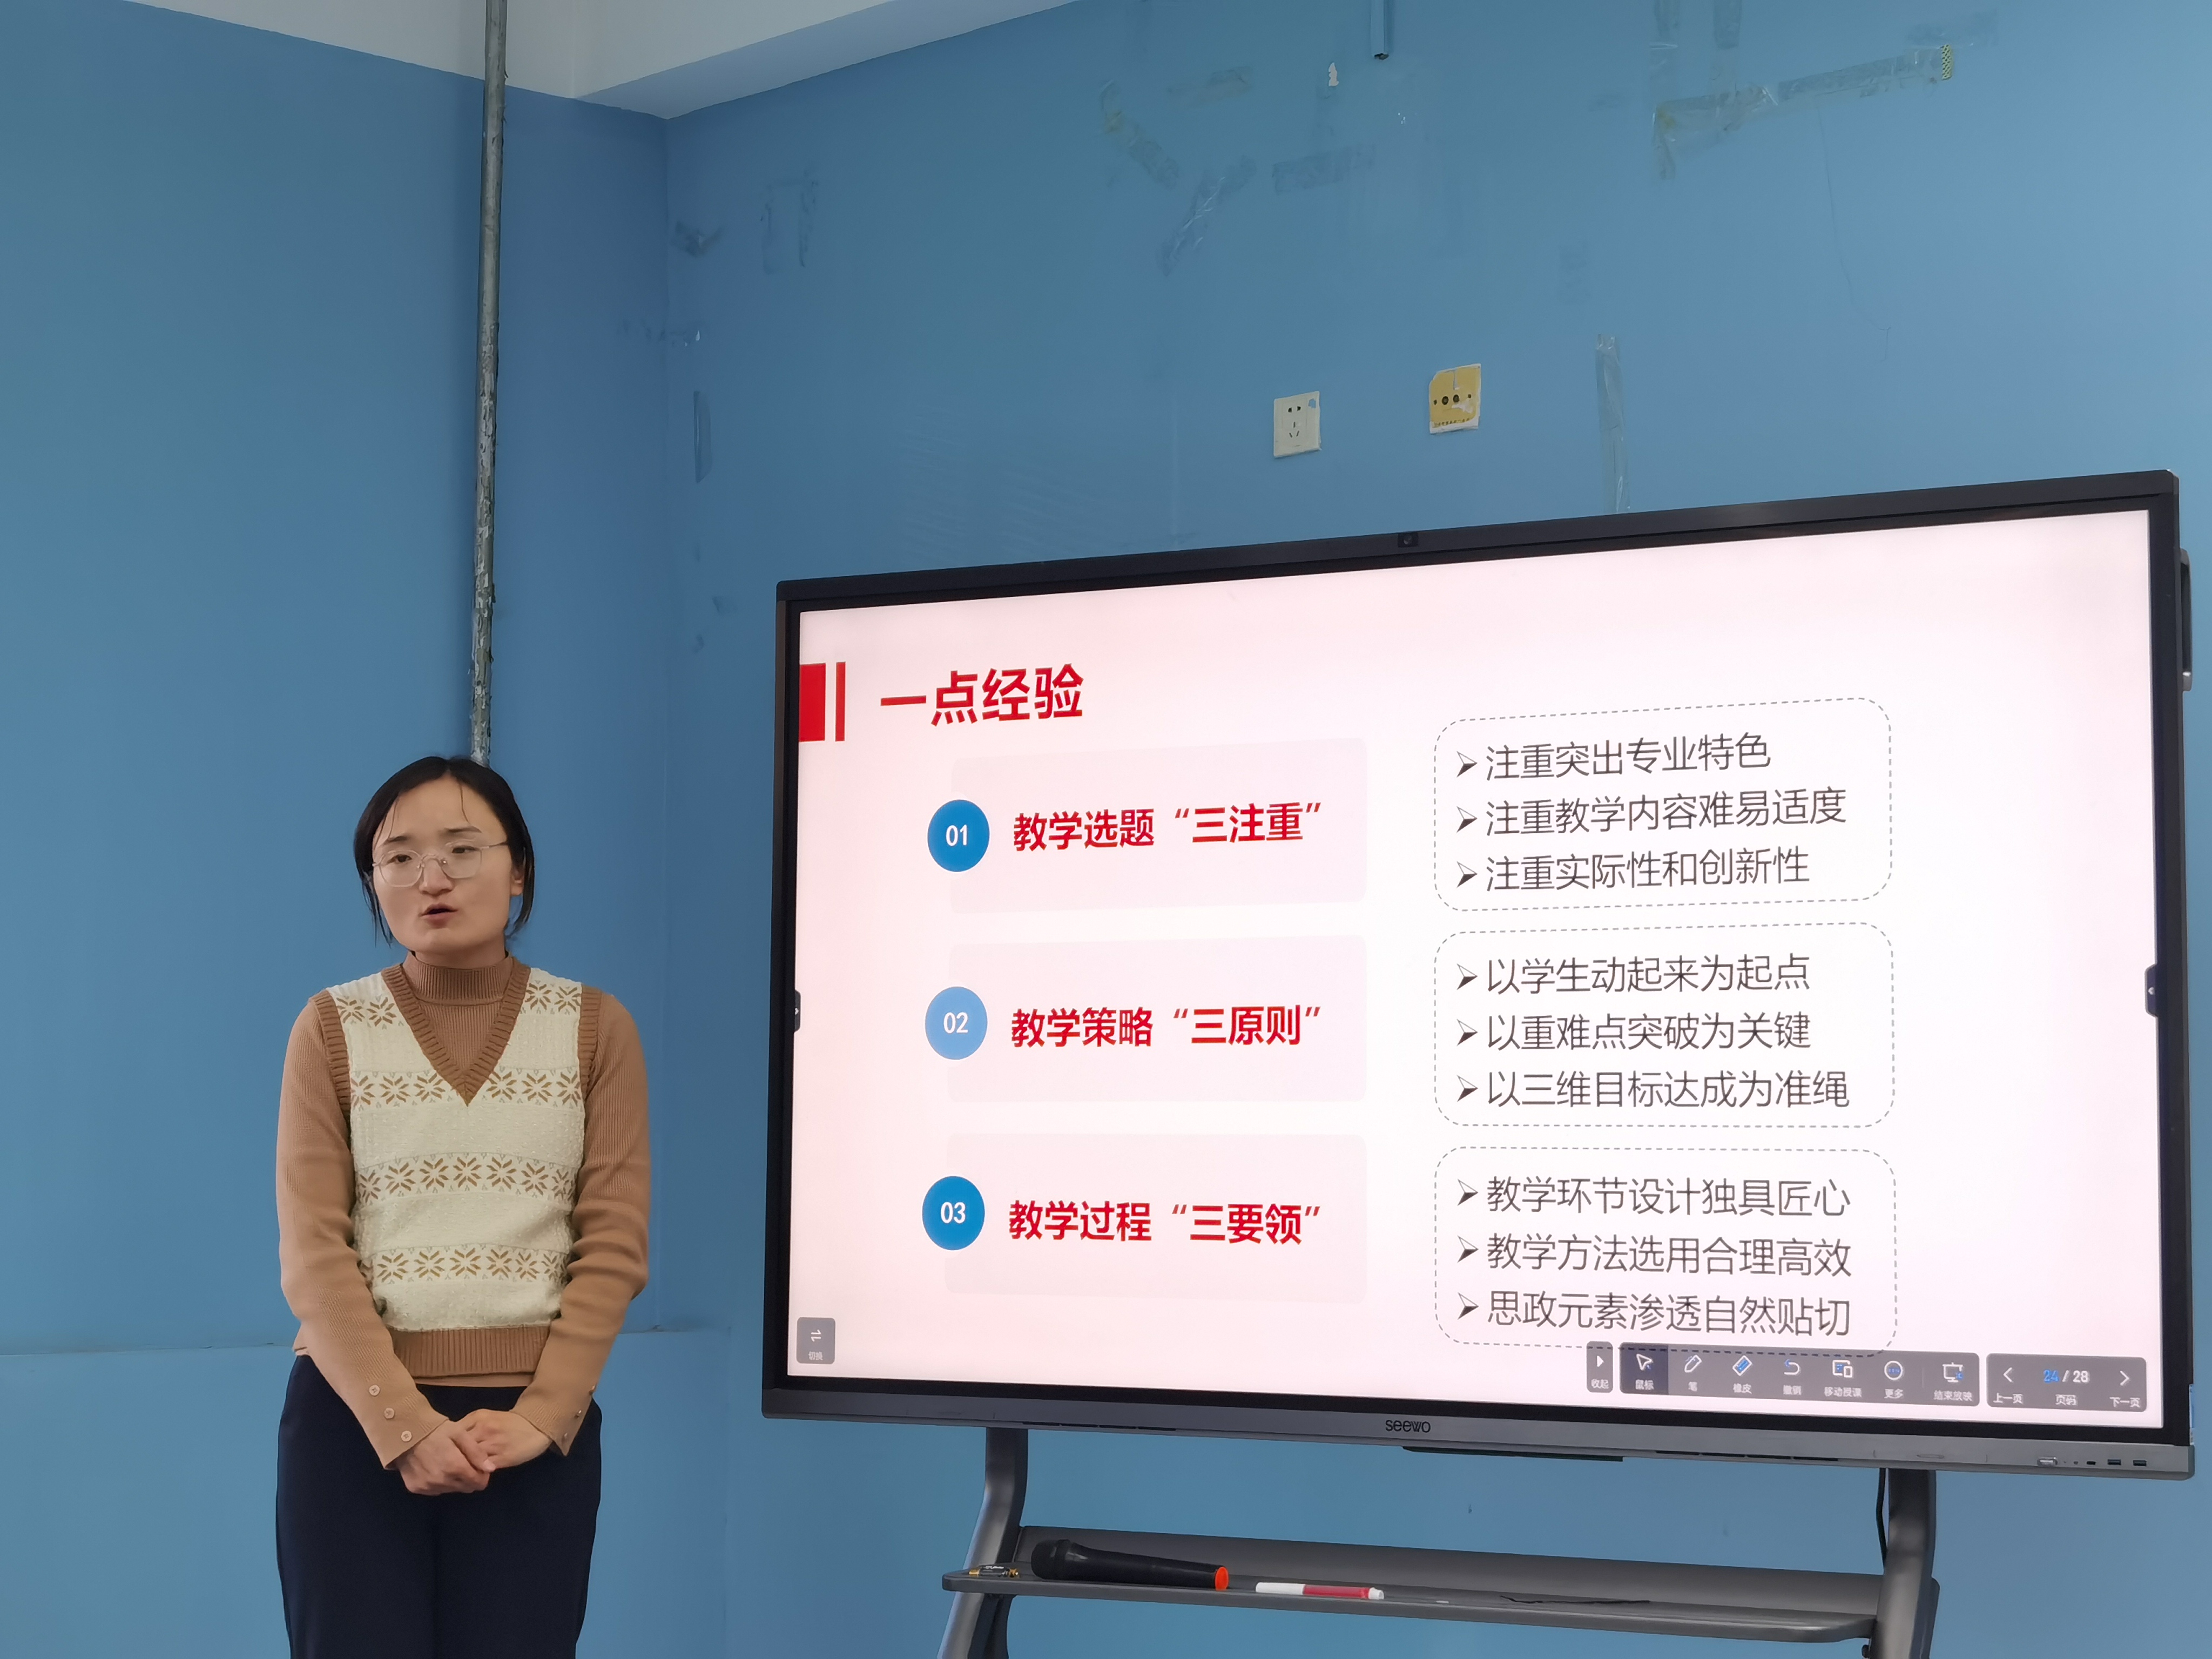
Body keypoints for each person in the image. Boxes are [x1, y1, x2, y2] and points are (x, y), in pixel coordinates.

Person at [274, 756, 650, 1658]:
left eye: (461, 850)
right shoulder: (331, 1027)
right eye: (398, 857)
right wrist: (402, 1427)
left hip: (529, 1434)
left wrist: (542, 1417)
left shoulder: (594, 1028)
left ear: (519, 869)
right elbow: (314, 1255)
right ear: (373, 881)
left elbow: (614, 1246)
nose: (430, 878)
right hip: (354, 1426)